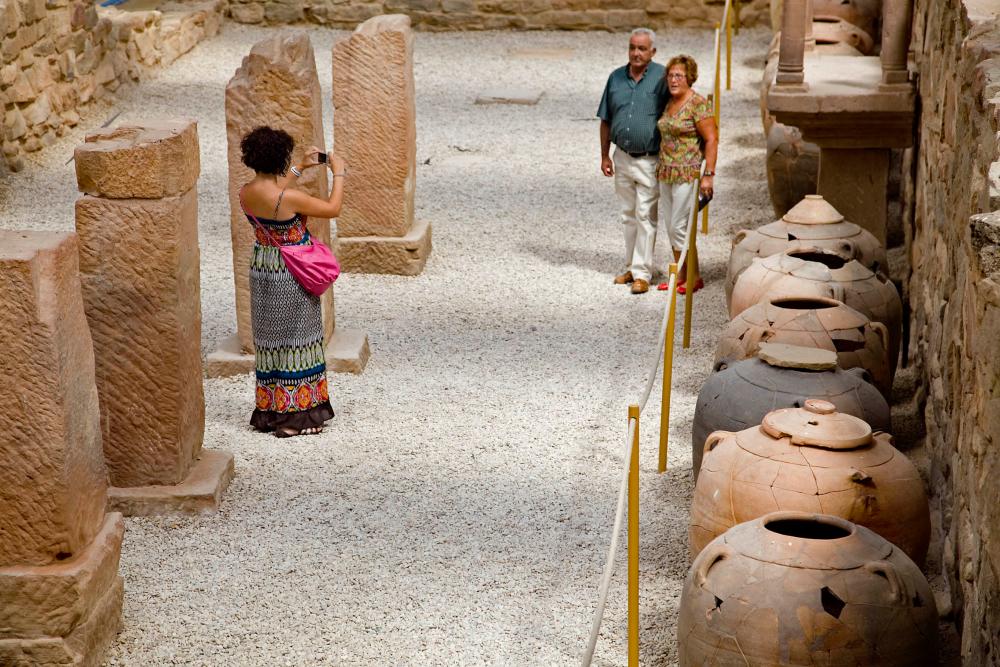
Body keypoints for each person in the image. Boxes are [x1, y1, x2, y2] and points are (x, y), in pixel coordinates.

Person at [238, 126, 345, 438]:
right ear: (280, 159)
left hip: (263, 267)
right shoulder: (291, 198)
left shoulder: (246, 193)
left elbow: (275, 193)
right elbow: (333, 208)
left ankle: (271, 410)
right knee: (299, 338)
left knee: (271, 340)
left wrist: (300, 167)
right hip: (291, 271)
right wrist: (338, 173)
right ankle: (295, 418)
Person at [598, 28, 670, 295]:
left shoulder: (663, 78)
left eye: (642, 48)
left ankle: (642, 273)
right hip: (622, 157)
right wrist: (604, 155)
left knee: (645, 215)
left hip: (650, 159)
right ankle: (631, 266)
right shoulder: (615, 78)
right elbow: (605, 119)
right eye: (632, 47)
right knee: (628, 214)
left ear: (653, 52)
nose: (636, 53)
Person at [655, 54, 718, 294]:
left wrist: (708, 174)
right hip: (666, 172)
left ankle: (693, 276)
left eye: (679, 76)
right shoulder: (668, 102)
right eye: (671, 75)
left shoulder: (697, 104)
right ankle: (681, 275)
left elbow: (711, 139)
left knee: (679, 225)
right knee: (671, 226)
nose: (673, 80)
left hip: (688, 173)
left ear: (689, 78)